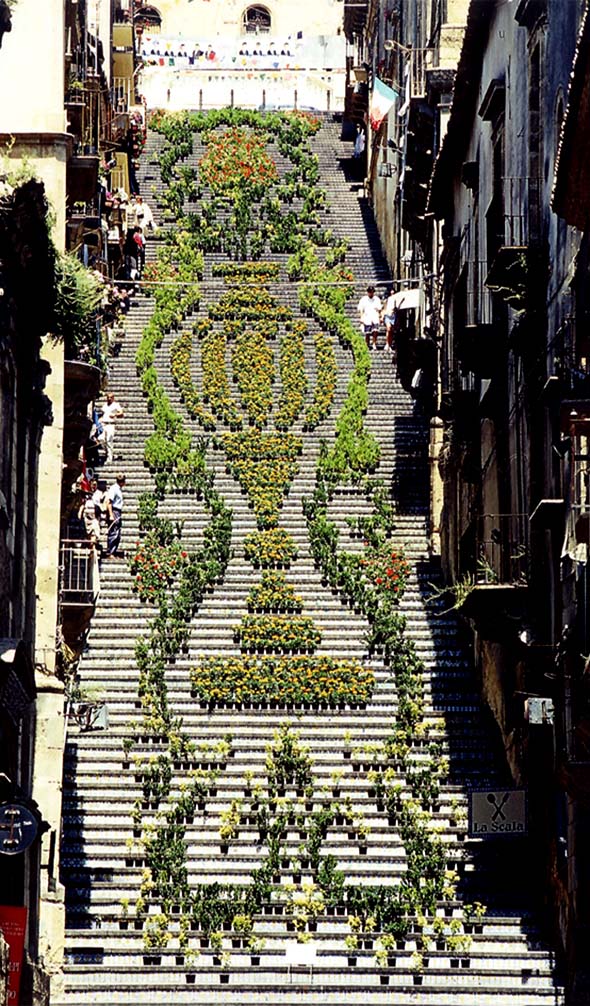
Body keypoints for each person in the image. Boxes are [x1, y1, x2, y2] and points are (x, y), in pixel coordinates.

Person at [105, 473, 126, 559]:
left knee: (117, 533)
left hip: (118, 511)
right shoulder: (114, 489)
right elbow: (108, 502)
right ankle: (110, 552)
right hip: (114, 511)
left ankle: (114, 551)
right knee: (114, 532)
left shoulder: (118, 489)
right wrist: (111, 515)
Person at [100, 391, 125, 463]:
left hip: (111, 424)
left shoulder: (116, 405)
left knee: (108, 440)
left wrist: (115, 415)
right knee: (101, 439)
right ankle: (108, 452)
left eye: (111, 397)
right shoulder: (105, 405)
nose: (109, 399)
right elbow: (102, 414)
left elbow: (121, 413)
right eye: (108, 397)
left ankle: (109, 458)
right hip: (103, 424)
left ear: (113, 398)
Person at [357, 285, 382, 350]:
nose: (371, 293)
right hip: (367, 317)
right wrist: (361, 317)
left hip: (374, 316)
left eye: (372, 292)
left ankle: (374, 344)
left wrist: (380, 316)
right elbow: (361, 309)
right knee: (367, 332)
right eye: (370, 292)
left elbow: (379, 309)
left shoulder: (377, 299)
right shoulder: (363, 299)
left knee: (375, 331)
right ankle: (367, 344)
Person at [381, 287, 398, 355]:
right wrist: (382, 316)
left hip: (393, 316)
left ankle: (389, 344)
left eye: (393, 293)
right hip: (387, 315)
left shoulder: (396, 299)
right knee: (388, 328)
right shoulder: (387, 300)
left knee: (391, 331)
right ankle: (387, 343)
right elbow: (384, 308)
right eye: (391, 293)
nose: (392, 294)